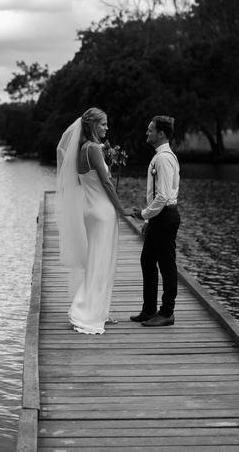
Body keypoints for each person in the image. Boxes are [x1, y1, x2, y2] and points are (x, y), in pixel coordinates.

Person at [56, 107, 129, 334]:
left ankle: (98, 310)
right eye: (104, 124)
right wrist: (122, 210)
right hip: (103, 212)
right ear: (92, 125)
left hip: (90, 211)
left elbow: (84, 182)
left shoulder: (81, 151)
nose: (107, 128)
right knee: (101, 262)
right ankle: (85, 311)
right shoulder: (94, 149)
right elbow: (106, 183)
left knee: (97, 261)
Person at [129, 115, 181, 327]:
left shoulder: (163, 158)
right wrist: (150, 221)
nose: (147, 133)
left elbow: (163, 196)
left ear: (161, 133)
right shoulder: (161, 156)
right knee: (147, 261)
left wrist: (144, 214)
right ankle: (149, 310)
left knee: (167, 265)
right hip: (158, 218)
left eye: (150, 130)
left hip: (165, 216)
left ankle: (167, 312)